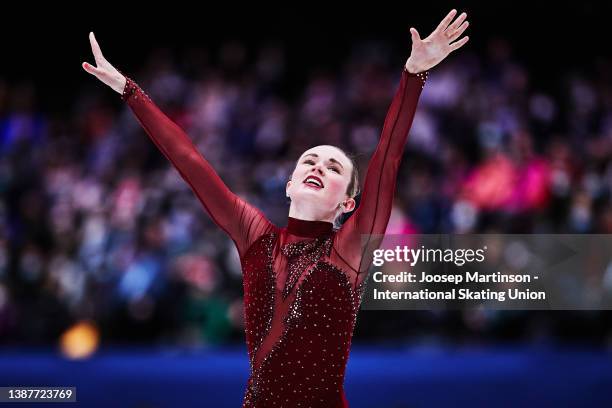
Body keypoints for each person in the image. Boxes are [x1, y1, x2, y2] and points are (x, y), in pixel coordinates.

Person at [82, 9, 469, 407]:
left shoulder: (350, 250)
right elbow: (190, 162)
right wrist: (129, 90)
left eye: (334, 167)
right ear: (289, 185)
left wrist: (413, 75)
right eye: (309, 160)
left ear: (347, 203)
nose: (318, 166)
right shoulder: (256, 238)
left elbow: (387, 160)